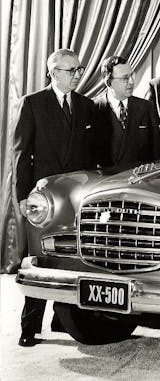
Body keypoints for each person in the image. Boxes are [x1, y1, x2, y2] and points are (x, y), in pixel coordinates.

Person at [13, 49, 96, 347]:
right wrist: (23, 198)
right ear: (53, 72)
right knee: (38, 258)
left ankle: (63, 320)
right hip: (43, 201)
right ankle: (29, 327)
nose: (77, 75)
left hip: (76, 199)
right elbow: (21, 156)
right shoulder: (33, 104)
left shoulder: (87, 106)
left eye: (78, 69)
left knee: (73, 258)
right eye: (70, 70)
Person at [93, 56, 160, 169]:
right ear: (108, 81)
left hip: (139, 180)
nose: (131, 81)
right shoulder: (94, 109)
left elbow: (157, 155)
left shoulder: (146, 107)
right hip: (106, 182)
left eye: (131, 75)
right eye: (125, 78)